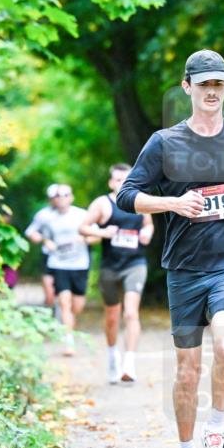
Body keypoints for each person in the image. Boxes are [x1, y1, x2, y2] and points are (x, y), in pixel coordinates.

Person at [115, 50, 224, 448]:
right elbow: (127, 195)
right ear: (187, 88)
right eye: (204, 84)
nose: (212, 92)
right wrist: (173, 204)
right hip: (184, 269)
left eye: (219, 84)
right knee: (187, 371)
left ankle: (215, 429)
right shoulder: (165, 142)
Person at [80, 163, 154, 384]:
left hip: (135, 264)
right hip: (110, 266)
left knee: (131, 313)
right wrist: (103, 232)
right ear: (111, 182)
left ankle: (129, 363)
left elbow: (149, 225)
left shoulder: (141, 201)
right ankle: (113, 356)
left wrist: (147, 233)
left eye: (126, 179)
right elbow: (83, 228)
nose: (122, 183)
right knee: (112, 317)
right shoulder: (102, 204)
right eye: (118, 179)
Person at [26, 184, 92, 356]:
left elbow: (96, 235)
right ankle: (68, 341)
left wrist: (85, 239)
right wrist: (44, 240)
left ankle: (68, 320)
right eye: (58, 195)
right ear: (54, 199)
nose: (62, 198)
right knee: (64, 302)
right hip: (58, 263)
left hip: (80, 264)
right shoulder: (46, 216)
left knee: (77, 306)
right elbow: (31, 233)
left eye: (65, 195)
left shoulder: (82, 215)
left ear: (71, 197)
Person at [25, 185, 60, 309]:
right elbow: (30, 232)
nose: (57, 200)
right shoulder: (43, 215)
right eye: (54, 197)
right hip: (49, 255)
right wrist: (44, 240)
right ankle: (50, 312)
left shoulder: (74, 213)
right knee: (49, 290)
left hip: (69, 257)